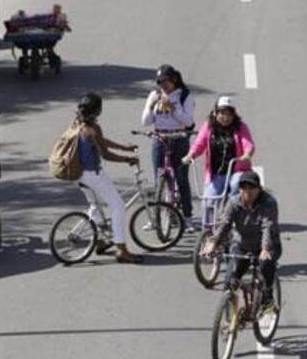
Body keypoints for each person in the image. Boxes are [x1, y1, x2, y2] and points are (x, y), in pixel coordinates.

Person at [73, 93, 143, 263]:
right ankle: (121, 249)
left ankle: (101, 240)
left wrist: (124, 148)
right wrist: (127, 159)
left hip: (78, 173)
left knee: (95, 205)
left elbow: (101, 141)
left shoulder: (78, 123)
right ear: (97, 111)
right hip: (92, 175)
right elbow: (105, 154)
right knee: (118, 206)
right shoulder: (93, 128)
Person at [203, 170, 281, 302]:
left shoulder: (269, 202)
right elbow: (225, 223)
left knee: (265, 265)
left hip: (268, 246)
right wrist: (214, 242)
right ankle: (228, 307)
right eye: (244, 187)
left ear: (259, 188)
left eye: (252, 187)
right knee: (231, 279)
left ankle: (268, 297)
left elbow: (267, 227)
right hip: (243, 245)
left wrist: (265, 249)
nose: (248, 191)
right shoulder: (234, 202)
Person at [184, 96, 256, 225]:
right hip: (217, 173)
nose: (226, 117)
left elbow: (248, 144)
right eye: (222, 113)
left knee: (236, 185)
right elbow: (199, 144)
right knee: (208, 200)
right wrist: (190, 155)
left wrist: (247, 154)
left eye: (229, 114)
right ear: (215, 113)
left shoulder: (240, 127)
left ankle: (233, 219)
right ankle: (208, 229)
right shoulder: (208, 127)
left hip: (236, 170)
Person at [142, 65, 196, 230]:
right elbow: (145, 121)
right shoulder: (154, 95)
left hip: (179, 139)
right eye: (160, 82)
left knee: (181, 178)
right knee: (159, 178)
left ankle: (187, 217)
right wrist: (152, 105)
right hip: (160, 139)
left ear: (174, 80)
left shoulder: (184, 96)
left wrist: (173, 108)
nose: (163, 85)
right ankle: (156, 218)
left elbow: (188, 121)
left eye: (166, 81)